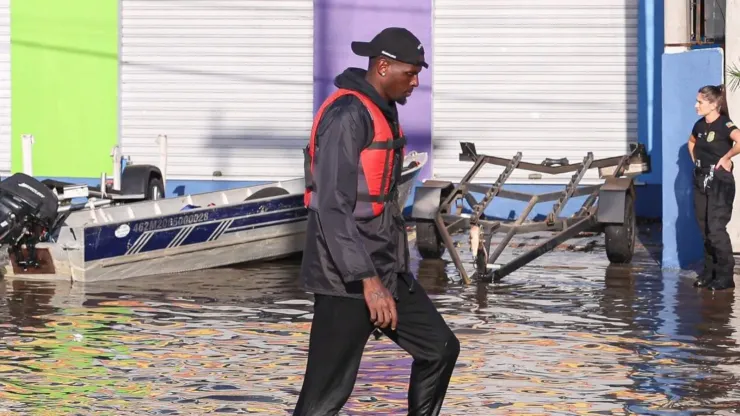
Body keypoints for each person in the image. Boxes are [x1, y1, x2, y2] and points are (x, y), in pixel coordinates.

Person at [293, 27, 460, 415]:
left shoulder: (384, 110)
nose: (416, 81)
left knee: (440, 349)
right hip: (346, 281)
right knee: (324, 398)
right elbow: (332, 207)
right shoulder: (347, 115)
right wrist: (368, 283)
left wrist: (387, 275)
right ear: (383, 67)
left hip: (387, 271)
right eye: (411, 72)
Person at [688, 84, 740, 290]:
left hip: (720, 182)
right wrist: (696, 162)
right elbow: (691, 143)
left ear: (713, 104)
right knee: (704, 229)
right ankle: (710, 273)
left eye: (700, 102)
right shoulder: (699, 126)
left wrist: (727, 157)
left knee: (716, 229)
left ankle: (726, 276)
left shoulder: (724, 123)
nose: (696, 105)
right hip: (701, 180)